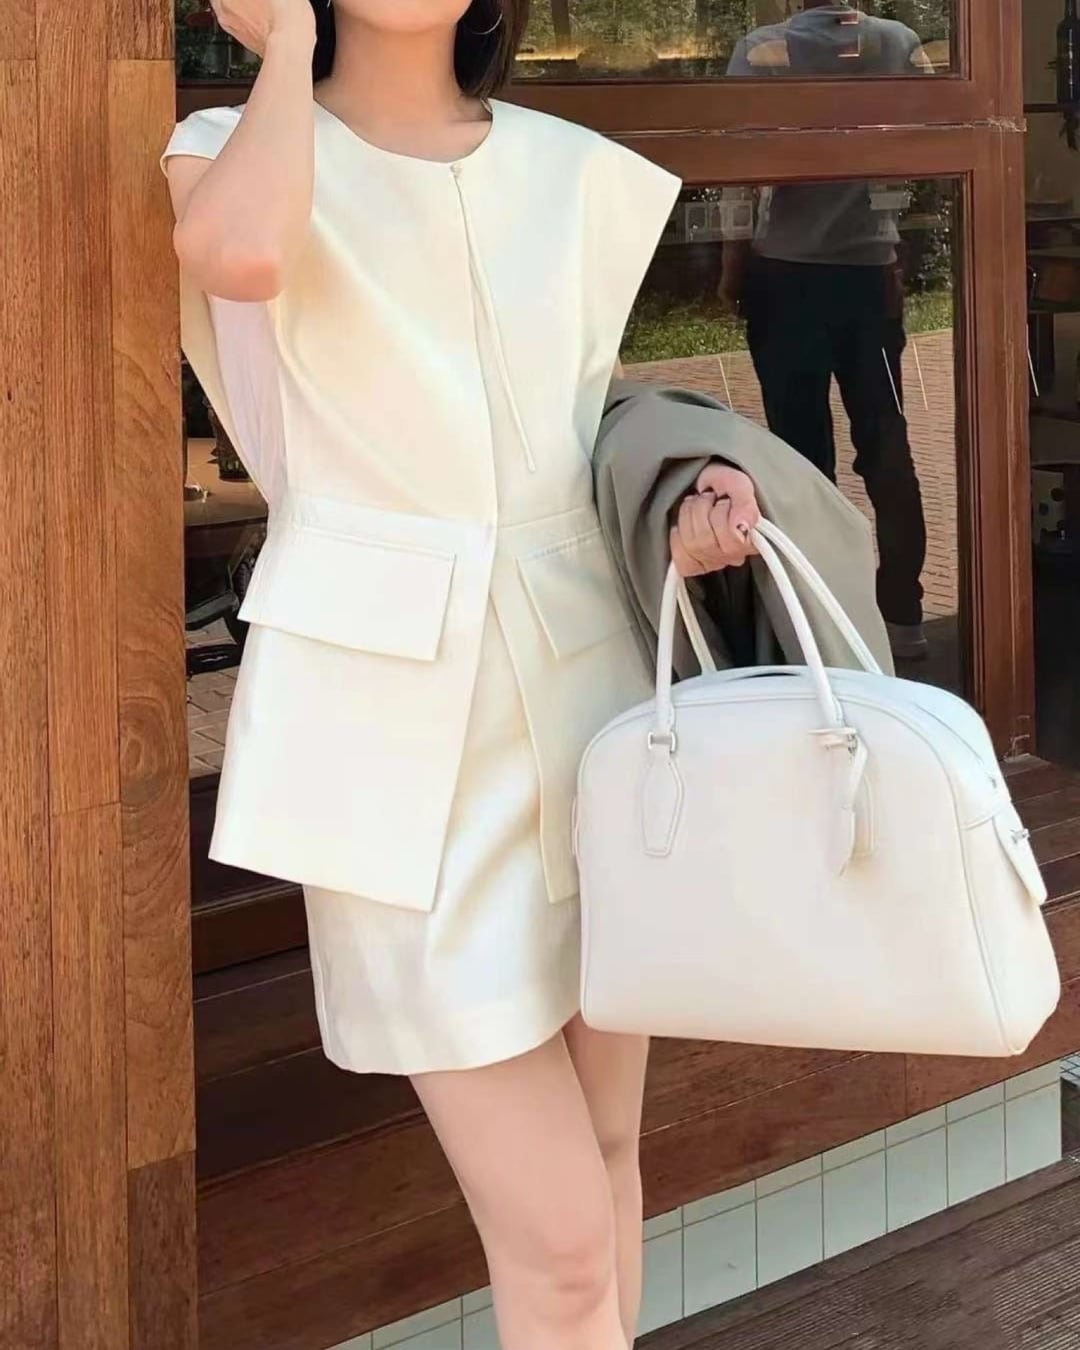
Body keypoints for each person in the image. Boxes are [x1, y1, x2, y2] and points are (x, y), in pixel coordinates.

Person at [161, 2, 760, 1347]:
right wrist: (285, 52)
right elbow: (242, 256)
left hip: (592, 692)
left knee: (610, 1157)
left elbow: (573, 437)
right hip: (390, 737)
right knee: (558, 1240)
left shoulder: (566, 166)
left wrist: (675, 511)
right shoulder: (230, 146)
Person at [723, 1, 931, 661]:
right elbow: (929, 145)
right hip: (868, 273)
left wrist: (731, 264)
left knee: (800, 456)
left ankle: (822, 617)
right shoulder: (898, 43)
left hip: (784, 274)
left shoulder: (761, 50)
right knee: (886, 443)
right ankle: (903, 613)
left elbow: (738, 169)